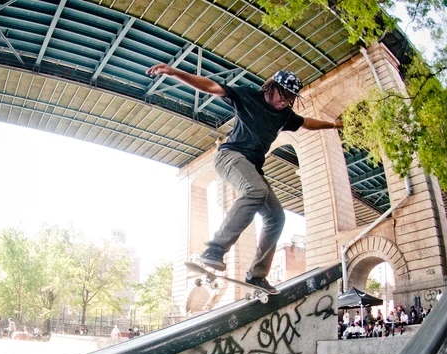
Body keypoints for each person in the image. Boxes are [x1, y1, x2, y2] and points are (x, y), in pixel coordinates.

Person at [146, 64, 342, 293]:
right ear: (272, 86)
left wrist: (332, 124)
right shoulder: (248, 95)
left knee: (276, 218)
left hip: (252, 167)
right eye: (283, 95)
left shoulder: (284, 115)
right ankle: (215, 249)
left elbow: (307, 123)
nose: (285, 102)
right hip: (230, 156)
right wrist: (176, 73)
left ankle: (257, 276)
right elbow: (211, 86)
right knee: (255, 191)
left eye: (290, 99)